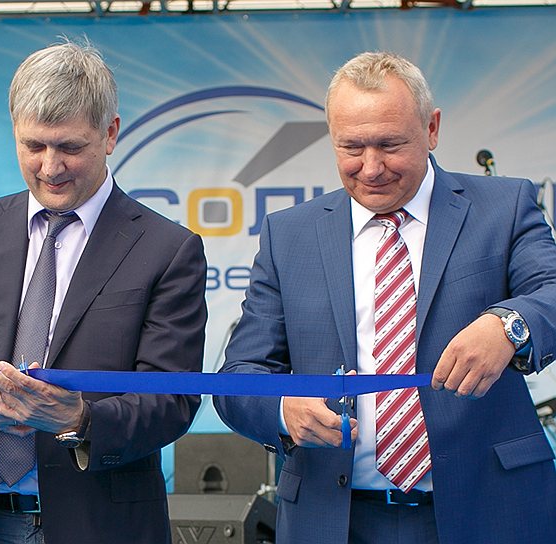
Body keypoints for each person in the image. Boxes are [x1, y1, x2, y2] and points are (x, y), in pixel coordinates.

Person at [214, 51, 556, 543]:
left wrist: (508, 325)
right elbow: (239, 377)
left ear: (432, 128)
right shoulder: (289, 235)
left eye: (390, 145)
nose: (371, 168)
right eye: (351, 147)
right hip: (333, 520)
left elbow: (550, 290)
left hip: (489, 510)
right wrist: (284, 410)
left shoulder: (504, 207)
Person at [0, 40, 207, 544]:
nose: (50, 166)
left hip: (101, 526)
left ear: (110, 133)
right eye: (33, 146)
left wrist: (79, 418)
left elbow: (172, 397)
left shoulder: (166, 249)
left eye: (70, 147)